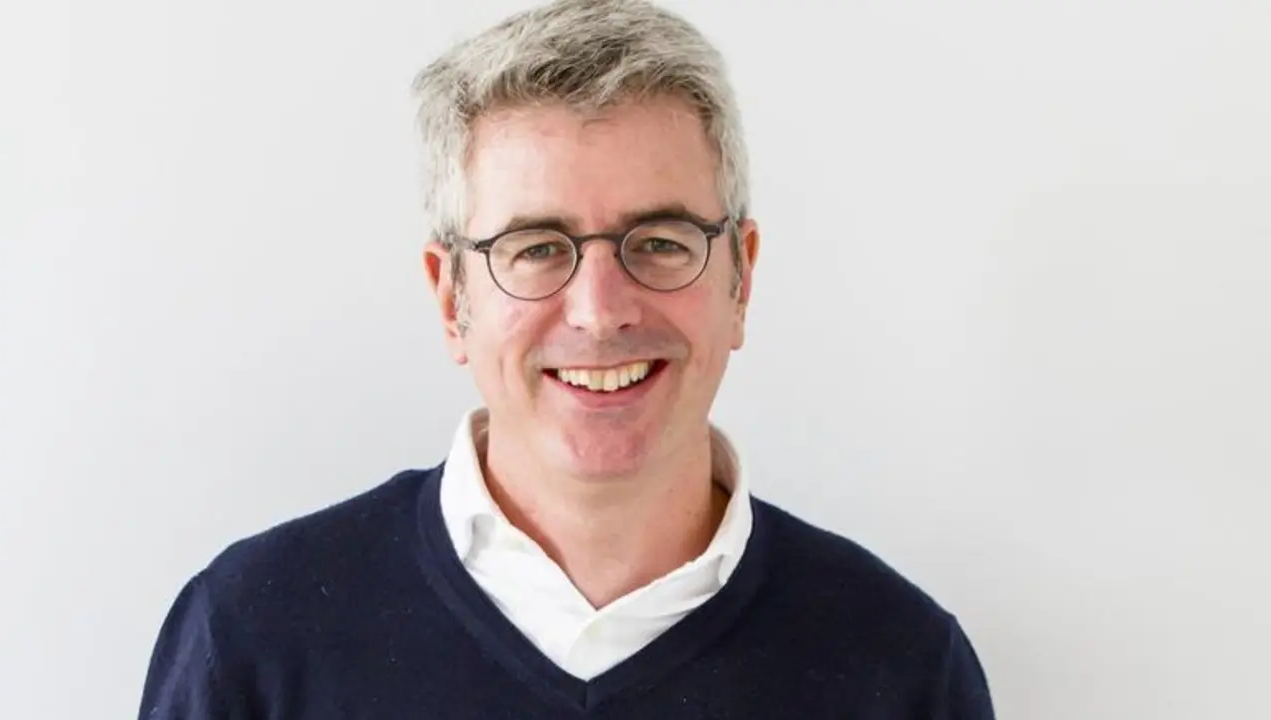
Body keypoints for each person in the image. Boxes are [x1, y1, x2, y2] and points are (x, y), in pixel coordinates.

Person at [137, 0, 995, 717]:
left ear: (741, 279)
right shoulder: (252, 638)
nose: (599, 310)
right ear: (451, 298)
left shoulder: (902, 667)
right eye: (537, 248)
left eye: (660, 241)